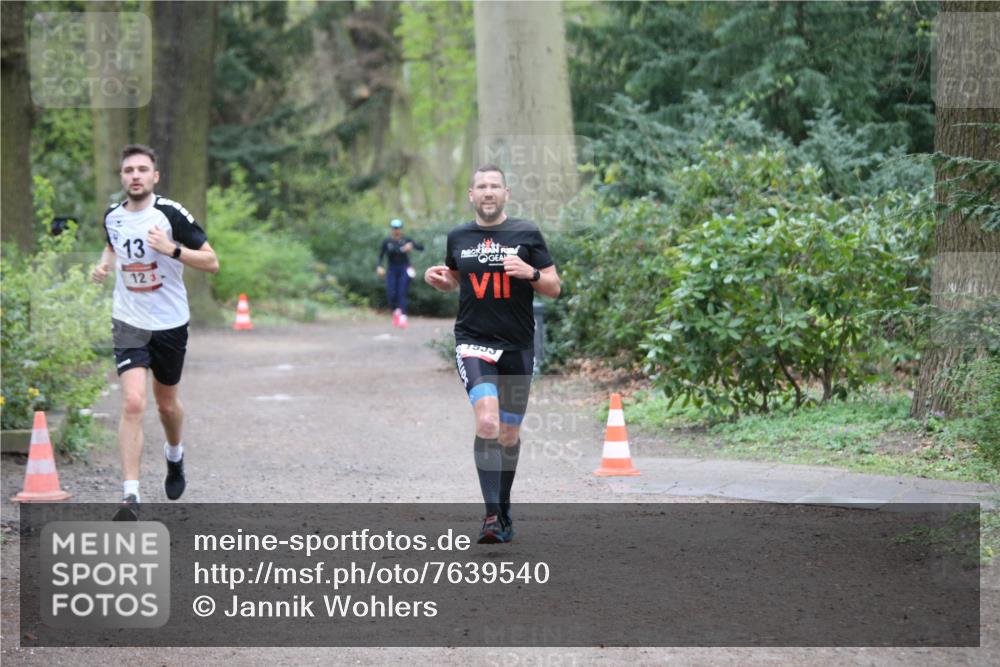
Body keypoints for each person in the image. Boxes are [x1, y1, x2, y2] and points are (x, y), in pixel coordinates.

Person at [424, 165, 560, 543]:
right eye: (481, 186)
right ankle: (491, 517)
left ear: (506, 193)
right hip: (474, 342)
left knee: (508, 434)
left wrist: (531, 273)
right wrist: (441, 281)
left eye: (494, 186)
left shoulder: (527, 233)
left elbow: (554, 287)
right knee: (487, 423)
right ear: (471, 194)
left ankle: (503, 506)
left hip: (517, 347)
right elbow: (455, 279)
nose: (488, 192)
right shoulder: (458, 237)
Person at [90, 144, 219, 520]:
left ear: (155, 176)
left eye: (142, 169)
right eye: (129, 170)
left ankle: (174, 455)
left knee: (166, 405)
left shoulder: (171, 214)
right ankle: (130, 495)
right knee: (133, 402)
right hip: (129, 321)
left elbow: (212, 262)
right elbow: (112, 245)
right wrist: (103, 266)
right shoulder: (113, 216)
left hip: (169, 323)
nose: (135, 176)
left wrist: (171, 249)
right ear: (121, 176)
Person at [377, 218, 423, 328]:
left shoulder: (407, 240)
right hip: (392, 269)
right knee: (391, 293)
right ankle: (396, 311)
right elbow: (381, 255)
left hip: (404, 269)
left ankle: (403, 317)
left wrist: (412, 246)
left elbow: (421, 248)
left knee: (402, 292)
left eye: (398, 228)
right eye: (394, 228)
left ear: (401, 229)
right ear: (392, 229)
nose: (396, 230)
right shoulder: (387, 241)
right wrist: (379, 266)